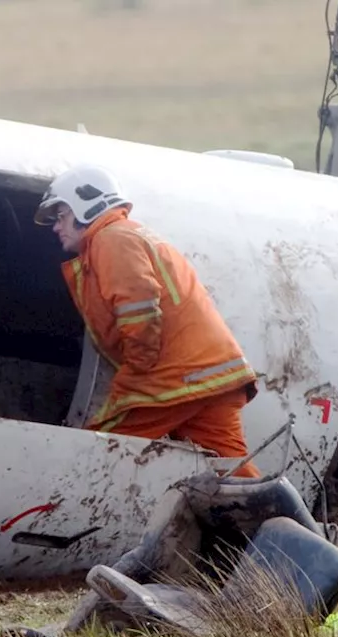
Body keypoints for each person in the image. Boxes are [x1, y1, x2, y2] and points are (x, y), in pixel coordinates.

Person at [34, 164, 262, 478]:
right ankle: (276, 525)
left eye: (61, 216)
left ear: (85, 208)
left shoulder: (111, 239)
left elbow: (139, 309)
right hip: (211, 378)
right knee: (234, 474)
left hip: (174, 378)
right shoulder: (128, 234)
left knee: (97, 453)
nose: (56, 227)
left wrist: (136, 373)